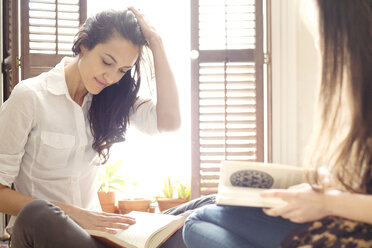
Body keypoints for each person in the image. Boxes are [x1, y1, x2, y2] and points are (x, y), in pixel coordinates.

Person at [0, 6, 200, 248]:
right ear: (84, 44)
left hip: (94, 237)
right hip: (45, 233)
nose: (111, 77)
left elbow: (169, 122)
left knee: (205, 207)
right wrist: (75, 214)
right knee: (39, 212)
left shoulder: (111, 98)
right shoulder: (30, 97)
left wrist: (155, 42)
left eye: (122, 70)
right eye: (107, 62)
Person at [183, 0, 372, 247]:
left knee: (198, 221)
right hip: (349, 218)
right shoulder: (359, 97)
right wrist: (328, 183)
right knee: (203, 212)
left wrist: (328, 202)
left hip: (355, 232)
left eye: (319, 36)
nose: (319, 46)